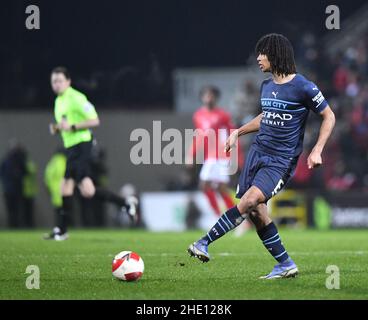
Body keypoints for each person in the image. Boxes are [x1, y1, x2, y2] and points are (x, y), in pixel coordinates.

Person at [188, 33, 336, 279]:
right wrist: (238, 132)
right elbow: (267, 116)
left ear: (276, 55)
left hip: (281, 160)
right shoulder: (266, 86)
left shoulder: (303, 87)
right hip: (258, 153)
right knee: (257, 212)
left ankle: (204, 242)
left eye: (262, 53)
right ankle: (285, 264)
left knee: (247, 202)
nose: (258, 58)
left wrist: (318, 148)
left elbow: (329, 116)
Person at [44, 67, 138, 240]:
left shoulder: (76, 98)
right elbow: (66, 123)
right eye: (53, 81)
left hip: (82, 146)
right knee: (83, 190)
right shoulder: (59, 101)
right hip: (72, 147)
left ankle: (62, 230)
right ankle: (125, 203)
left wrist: (72, 127)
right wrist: (58, 128)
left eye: (59, 81)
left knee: (67, 186)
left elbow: (95, 120)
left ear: (68, 81)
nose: (56, 84)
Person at [187, 86, 249, 231]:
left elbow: (234, 135)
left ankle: (229, 219)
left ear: (216, 98)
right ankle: (235, 220)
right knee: (218, 188)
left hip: (222, 156)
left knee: (209, 186)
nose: (208, 98)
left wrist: (237, 156)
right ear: (202, 97)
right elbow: (199, 136)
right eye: (206, 95)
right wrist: (191, 154)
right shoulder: (198, 115)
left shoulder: (223, 115)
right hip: (209, 157)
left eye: (211, 95)